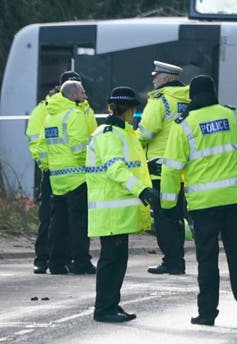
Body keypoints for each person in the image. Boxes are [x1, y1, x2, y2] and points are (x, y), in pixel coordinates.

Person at [160, 75, 237, 327]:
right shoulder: (233, 116)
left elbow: (172, 168)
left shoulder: (183, 125)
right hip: (236, 201)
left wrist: (168, 205)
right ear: (213, 91)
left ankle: (207, 314)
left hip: (204, 205)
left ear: (192, 97)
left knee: (207, 260)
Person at [86, 86, 155, 323]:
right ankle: (104, 309)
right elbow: (116, 168)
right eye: (134, 110)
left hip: (119, 209)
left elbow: (129, 166)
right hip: (111, 210)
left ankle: (112, 305)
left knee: (118, 260)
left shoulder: (124, 134)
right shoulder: (108, 135)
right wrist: (142, 190)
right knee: (111, 260)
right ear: (128, 110)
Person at [25, 70, 86, 274]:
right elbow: (36, 139)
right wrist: (46, 165)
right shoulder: (47, 108)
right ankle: (43, 258)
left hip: (66, 170)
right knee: (50, 219)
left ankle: (61, 259)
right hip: (57, 171)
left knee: (63, 219)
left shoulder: (82, 108)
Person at [137, 61, 190, 275]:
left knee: (163, 217)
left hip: (159, 167)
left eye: (156, 76)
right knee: (177, 215)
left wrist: (131, 145)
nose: (154, 79)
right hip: (183, 169)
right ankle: (178, 260)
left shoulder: (159, 101)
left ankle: (171, 261)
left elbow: (146, 133)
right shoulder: (189, 99)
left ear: (167, 78)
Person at [40, 80, 97, 274]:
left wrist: (48, 167)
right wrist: (90, 165)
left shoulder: (50, 117)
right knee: (79, 224)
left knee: (58, 224)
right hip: (77, 178)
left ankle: (56, 263)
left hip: (57, 179)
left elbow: (42, 147)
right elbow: (80, 148)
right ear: (73, 96)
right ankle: (81, 262)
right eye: (82, 93)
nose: (85, 96)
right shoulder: (74, 115)